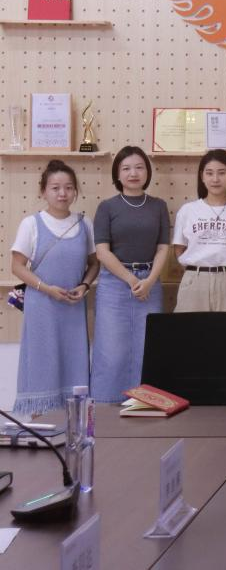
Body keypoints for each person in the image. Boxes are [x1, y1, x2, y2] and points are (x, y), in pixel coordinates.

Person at [10, 161, 100, 415]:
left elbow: (94, 263)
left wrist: (84, 285)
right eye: (55, 188)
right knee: (42, 364)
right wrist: (47, 289)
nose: (62, 193)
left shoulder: (84, 223)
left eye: (69, 188)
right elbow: (16, 266)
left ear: (75, 191)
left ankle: (74, 427)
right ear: (43, 191)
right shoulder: (31, 223)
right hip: (42, 306)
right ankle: (41, 424)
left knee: (74, 364)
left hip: (73, 307)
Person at [91, 146, 171, 403]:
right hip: (115, 284)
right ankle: (106, 405)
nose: (133, 173)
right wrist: (132, 279)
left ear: (147, 172)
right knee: (111, 349)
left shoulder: (159, 206)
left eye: (139, 167)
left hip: (150, 281)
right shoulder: (107, 207)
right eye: (126, 168)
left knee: (147, 347)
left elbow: (163, 248)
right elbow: (102, 252)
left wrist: (149, 281)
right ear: (117, 174)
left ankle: (145, 403)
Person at [170, 149, 226, 312]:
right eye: (209, 173)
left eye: (222, 173)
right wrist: (194, 274)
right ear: (202, 176)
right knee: (189, 328)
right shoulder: (188, 210)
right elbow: (178, 249)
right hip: (194, 282)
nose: (215, 179)